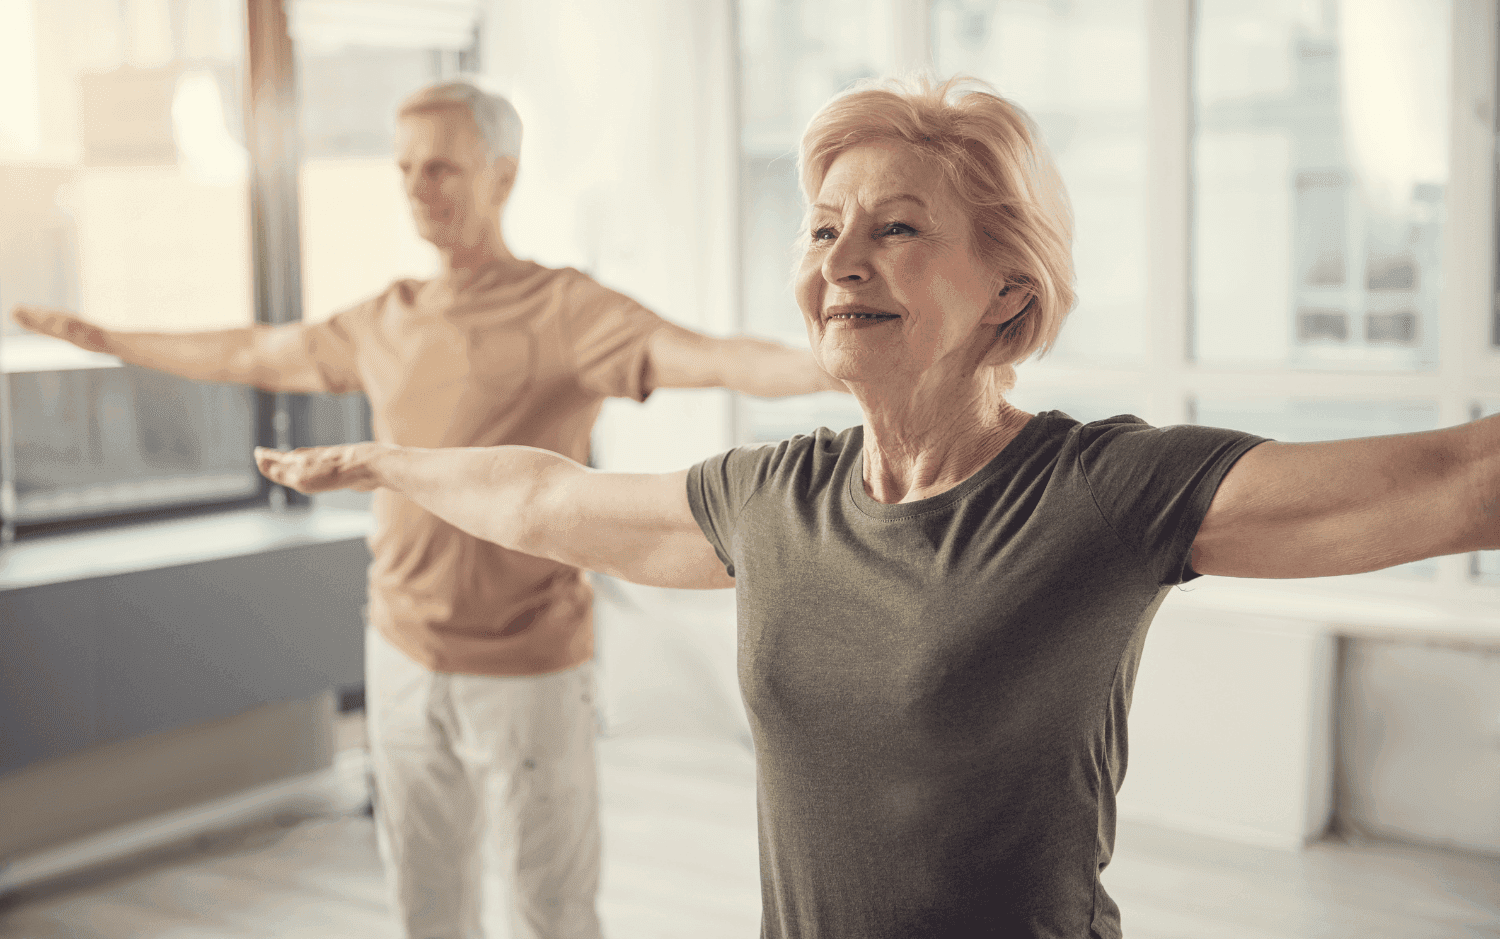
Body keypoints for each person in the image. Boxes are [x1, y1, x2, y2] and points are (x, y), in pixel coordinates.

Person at [256, 74, 1499, 939]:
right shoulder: (772, 497)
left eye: (897, 229)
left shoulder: (1095, 492)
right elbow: (543, 494)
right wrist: (389, 464)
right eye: (822, 227)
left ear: (1010, 291)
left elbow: (1457, 480)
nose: (840, 258)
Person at [11, 79, 845, 939]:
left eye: (442, 168)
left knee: (550, 911)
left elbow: (709, 356)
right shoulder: (387, 318)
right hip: (401, 652)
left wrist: (839, 359)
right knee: (424, 904)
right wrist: (111, 342)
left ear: (502, 177)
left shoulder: (565, 310)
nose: (418, 188)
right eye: (407, 168)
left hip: (527, 668)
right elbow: (252, 349)